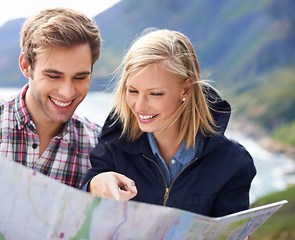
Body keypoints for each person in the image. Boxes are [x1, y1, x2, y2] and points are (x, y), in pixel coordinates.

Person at [82, 29, 257, 218]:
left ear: (186, 90)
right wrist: (94, 185)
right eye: (132, 91)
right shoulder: (113, 143)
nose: (139, 106)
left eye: (155, 93)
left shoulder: (233, 163)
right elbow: (85, 213)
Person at [0, 8, 102, 217]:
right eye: (53, 76)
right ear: (26, 65)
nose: (67, 92)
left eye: (80, 77)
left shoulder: (100, 148)